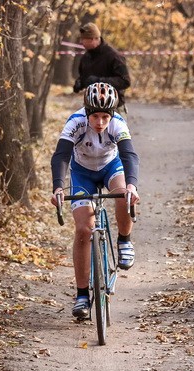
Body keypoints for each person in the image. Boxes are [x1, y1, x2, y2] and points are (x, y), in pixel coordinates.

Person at [50, 82, 140, 319]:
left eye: (105, 117)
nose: (100, 122)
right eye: (95, 116)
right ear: (87, 112)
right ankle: (81, 295)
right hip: (82, 173)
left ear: (111, 115)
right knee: (83, 230)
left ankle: (124, 240)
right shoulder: (75, 122)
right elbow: (61, 155)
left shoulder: (118, 123)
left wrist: (132, 185)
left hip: (111, 167)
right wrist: (58, 187)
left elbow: (129, 154)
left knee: (123, 194)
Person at [73, 23, 131, 111]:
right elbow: (85, 77)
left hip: (114, 108)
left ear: (94, 39)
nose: (81, 42)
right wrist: (80, 83)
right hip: (91, 109)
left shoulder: (113, 56)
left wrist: (99, 82)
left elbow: (125, 81)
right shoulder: (86, 58)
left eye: (84, 39)